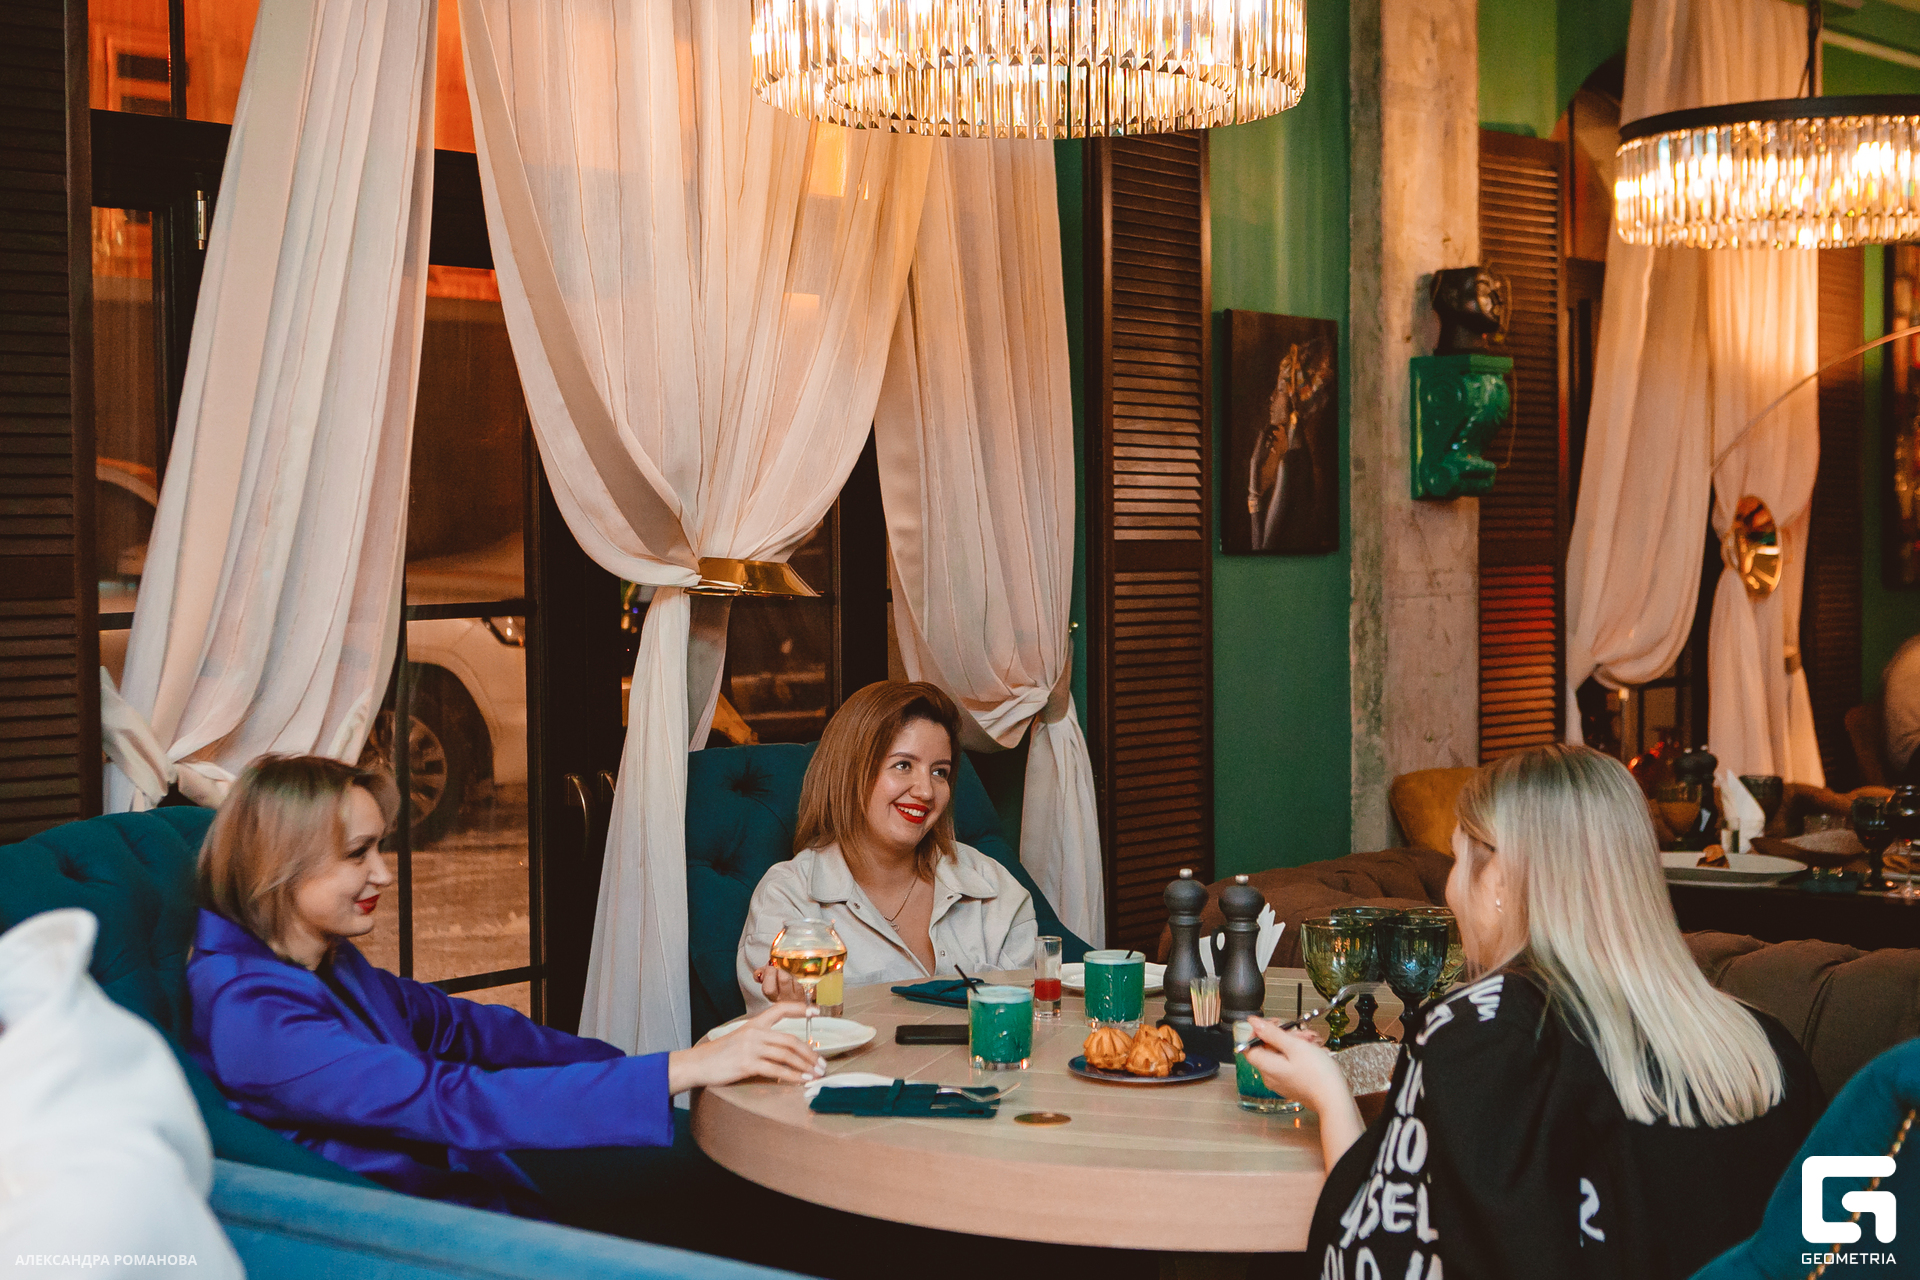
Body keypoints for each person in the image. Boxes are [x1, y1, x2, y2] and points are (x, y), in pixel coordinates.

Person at [1245, 744, 1821, 1280]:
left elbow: (1376, 1259)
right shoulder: (1762, 1043)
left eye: (1457, 860)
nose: (1450, 889)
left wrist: (1328, 1094)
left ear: (1498, 878)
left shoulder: (1480, 1035)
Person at [186, 754, 822, 1216]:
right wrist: (681, 1070)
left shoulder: (323, 962)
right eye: (358, 854)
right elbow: (446, 1100)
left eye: (379, 848)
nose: (383, 873)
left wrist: (651, 1068)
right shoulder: (251, 1013)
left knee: (731, 1185)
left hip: (462, 1183)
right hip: (413, 1234)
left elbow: (469, 1030)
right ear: (280, 863)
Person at [737, 681, 1037, 1012]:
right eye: (903, 765)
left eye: (940, 772)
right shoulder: (788, 898)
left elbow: (1031, 1020)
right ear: (849, 772)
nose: (926, 791)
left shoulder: (992, 886)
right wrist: (797, 1012)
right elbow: (776, 1035)